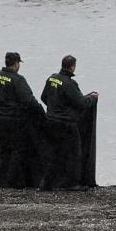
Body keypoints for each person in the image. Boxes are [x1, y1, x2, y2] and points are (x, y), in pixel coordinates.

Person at [40, 55, 98, 191]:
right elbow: (81, 103)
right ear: (72, 67)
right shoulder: (69, 83)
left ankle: (46, 183)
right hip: (66, 124)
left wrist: (54, 109)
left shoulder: (52, 79)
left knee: (56, 152)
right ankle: (72, 183)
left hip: (51, 121)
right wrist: (92, 98)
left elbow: (44, 97)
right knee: (74, 152)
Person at [0, 52, 45, 188]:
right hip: (14, 119)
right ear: (16, 63)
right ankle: (12, 182)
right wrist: (42, 114)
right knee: (17, 150)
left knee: (4, 149)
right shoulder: (18, 79)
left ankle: (2, 179)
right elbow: (29, 100)